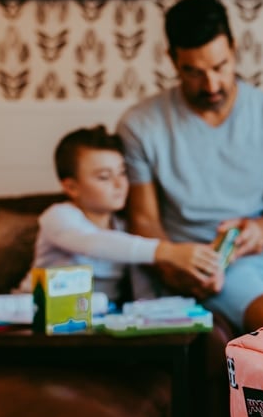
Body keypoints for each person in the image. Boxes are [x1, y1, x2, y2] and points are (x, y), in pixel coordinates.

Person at [116, 0, 263, 332]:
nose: (211, 85)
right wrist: (174, 266)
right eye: (194, 72)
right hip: (206, 265)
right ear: (173, 61)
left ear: (233, 49)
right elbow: (143, 219)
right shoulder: (140, 125)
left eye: (219, 67)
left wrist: (261, 230)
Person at [24, 125, 211, 304]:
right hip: (34, 316)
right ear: (71, 187)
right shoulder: (58, 217)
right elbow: (93, 243)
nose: (119, 184)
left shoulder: (125, 230)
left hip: (94, 322)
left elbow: (142, 291)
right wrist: (168, 251)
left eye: (122, 173)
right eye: (104, 177)